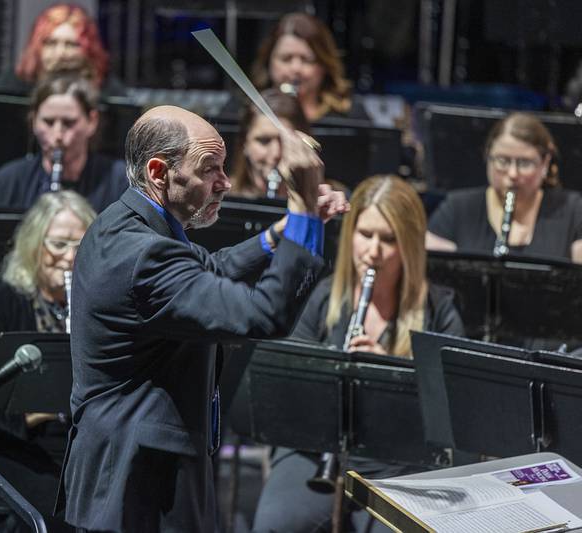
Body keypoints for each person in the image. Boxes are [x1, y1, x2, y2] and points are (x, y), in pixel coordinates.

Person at [55, 104, 349, 532]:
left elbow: (206, 269)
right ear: (160, 172)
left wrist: (280, 233)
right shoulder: (145, 254)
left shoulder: (123, 224)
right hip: (137, 486)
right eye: (210, 169)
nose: (225, 183)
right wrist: (303, 213)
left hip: (128, 474)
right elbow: (263, 316)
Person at [252, 175, 464, 533]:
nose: (373, 252)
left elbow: (453, 406)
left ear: (409, 245)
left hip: (402, 458)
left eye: (388, 239)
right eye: (365, 235)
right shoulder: (322, 298)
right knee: (276, 523)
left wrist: (392, 374)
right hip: (317, 448)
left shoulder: (439, 309)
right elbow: (288, 385)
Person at [0, 191, 95, 532]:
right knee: (57, 509)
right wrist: (44, 409)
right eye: (59, 245)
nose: (69, 258)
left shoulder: (99, 307)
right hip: (17, 447)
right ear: (35, 245)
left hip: (83, 445)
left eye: (80, 246)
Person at [426, 112, 582, 263]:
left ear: (545, 163)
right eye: (502, 161)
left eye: (525, 163)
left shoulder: (574, 210)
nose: (513, 174)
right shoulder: (457, 208)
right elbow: (433, 274)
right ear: (488, 156)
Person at [0, 73, 128, 213]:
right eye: (48, 122)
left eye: (69, 123)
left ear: (92, 121)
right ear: (33, 121)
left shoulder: (120, 181)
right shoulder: (8, 182)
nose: (58, 135)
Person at [251, 12, 367, 122]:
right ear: (269, 61)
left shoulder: (351, 117)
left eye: (307, 60)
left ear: (324, 65)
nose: (296, 69)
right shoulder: (247, 112)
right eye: (286, 58)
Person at [0, 3, 110, 94]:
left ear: (88, 50)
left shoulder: (107, 90)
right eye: (51, 43)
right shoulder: (12, 84)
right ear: (37, 47)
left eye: (71, 44)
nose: (60, 53)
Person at [230, 88, 310, 199]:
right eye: (264, 140)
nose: (276, 154)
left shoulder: (325, 200)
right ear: (244, 142)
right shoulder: (218, 196)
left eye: (286, 142)